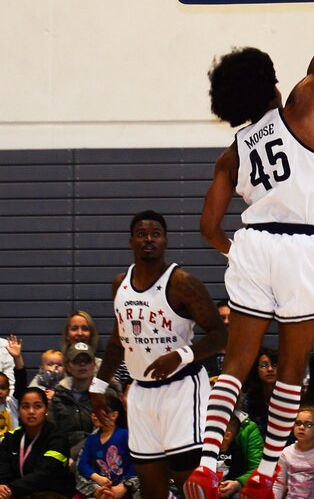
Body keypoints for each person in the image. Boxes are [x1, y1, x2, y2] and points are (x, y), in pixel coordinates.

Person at [184, 0, 314, 499]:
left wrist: (234, 253)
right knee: (290, 370)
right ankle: (263, 477)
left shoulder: (231, 152)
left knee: (234, 367)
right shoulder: (299, 109)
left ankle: (209, 464)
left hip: (252, 245)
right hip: (301, 247)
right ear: (271, 88)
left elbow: (209, 225)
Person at [90, 210, 227, 499]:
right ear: (131, 241)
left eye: (155, 234)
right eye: (142, 234)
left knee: (192, 484)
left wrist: (182, 355)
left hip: (181, 390)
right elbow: (118, 340)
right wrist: (99, 385)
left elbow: (221, 334)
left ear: (165, 241)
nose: (148, 239)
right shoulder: (121, 284)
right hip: (140, 393)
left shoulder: (183, 283)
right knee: (152, 489)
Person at [0, 387, 75, 499]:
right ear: (18, 411)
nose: (31, 411)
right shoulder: (11, 438)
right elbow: (2, 469)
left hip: (51, 493)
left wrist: (11, 489)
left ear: (46, 410)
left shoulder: (58, 438)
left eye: (37, 406)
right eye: (25, 407)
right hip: (17, 493)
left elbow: (46, 474)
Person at [76, 392, 139, 499]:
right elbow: (82, 464)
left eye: (100, 411)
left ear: (114, 415)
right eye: (93, 412)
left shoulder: (125, 435)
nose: (94, 415)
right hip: (101, 489)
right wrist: (97, 478)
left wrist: (123, 486)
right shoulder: (91, 439)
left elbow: (135, 463)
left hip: (126, 490)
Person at [272, 405, 314, 499]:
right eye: (298, 423)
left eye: (308, 424)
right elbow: (279, 485)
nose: (301, 427)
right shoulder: (286, 453)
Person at [50, 342, 96, 461]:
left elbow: (101, 433)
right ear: (68, 366)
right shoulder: (58, 397)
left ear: (94, 365)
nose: (82, 364)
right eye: (76, 360)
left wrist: (74, 456)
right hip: (63, 456)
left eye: (87, 360)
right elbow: (51, 432)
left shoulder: (103, 395)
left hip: (96, 455)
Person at [215, 414, 263, 499]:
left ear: (227, 436)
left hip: (230, 486)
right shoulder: (209, 447)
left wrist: (237, 483)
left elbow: (255, 468)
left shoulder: (236, 451)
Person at [240, 348, 279, 436]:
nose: (270, 369)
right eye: (264, 365)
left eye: (274, 364)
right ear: (256, 370)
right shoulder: (247, 400)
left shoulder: (289, 397)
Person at [202, 300, 231, 380]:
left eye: (231, 318)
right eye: (222, 318)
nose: (226, 321)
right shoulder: (200, 354)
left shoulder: (248, 354)